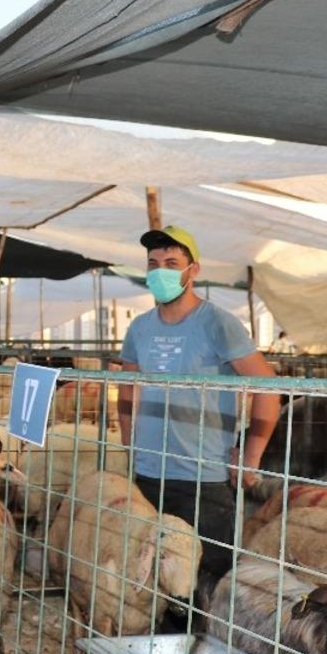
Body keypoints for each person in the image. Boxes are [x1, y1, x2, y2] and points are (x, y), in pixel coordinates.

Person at [117, 225, 279, 591]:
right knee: (148, 581)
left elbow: (269, 388)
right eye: (154, 263)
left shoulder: (217, 323)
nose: (161, 271)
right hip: (147, 477)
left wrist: (250, 458)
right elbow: (128, 389)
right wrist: (130, 447)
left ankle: (202, 645)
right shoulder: (139, 329)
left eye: (172, 262)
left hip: (202, 480)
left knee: (206, 585)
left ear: (194, 271)